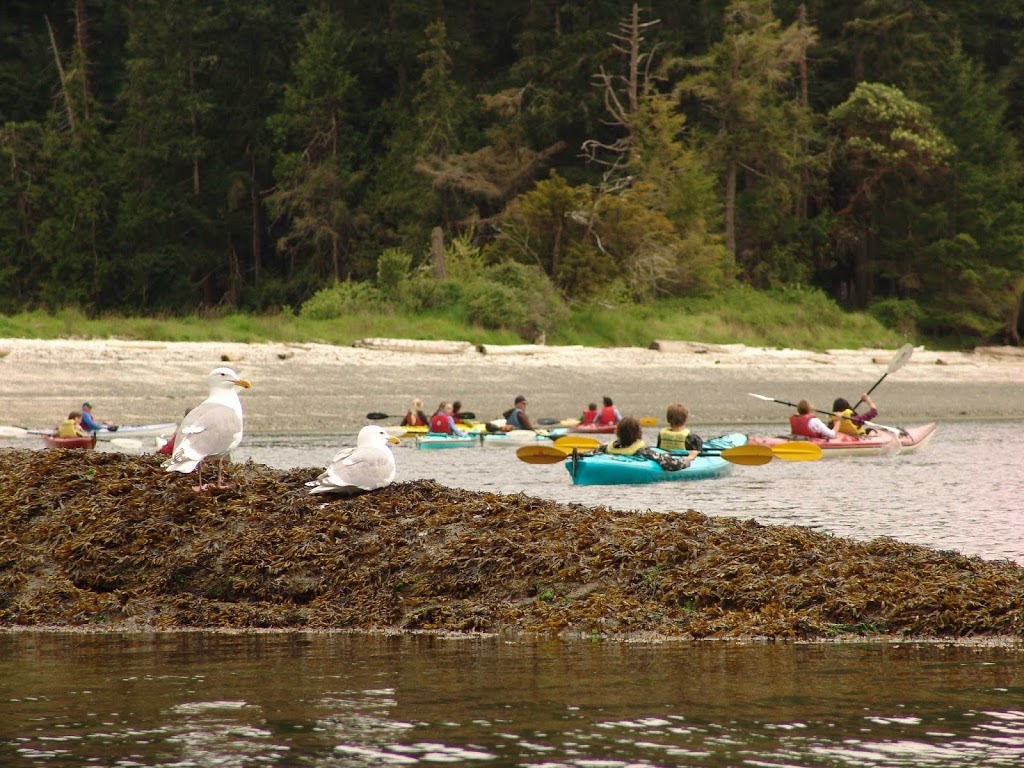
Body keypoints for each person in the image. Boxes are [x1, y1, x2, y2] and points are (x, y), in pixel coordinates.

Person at [596, 416, 689, 471]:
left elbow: (589, 454)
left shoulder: (605, 447)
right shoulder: (642, 451)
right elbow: (672, 464)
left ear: (618, 432)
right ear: (638, 433)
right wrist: (687, 460)